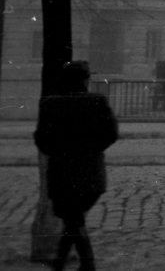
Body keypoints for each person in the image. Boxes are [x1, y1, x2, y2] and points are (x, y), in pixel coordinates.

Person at [34, 60, 118, 271]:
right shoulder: (98, 101)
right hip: (92, 175)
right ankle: (63, 264)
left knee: (73, 221)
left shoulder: (50, 104)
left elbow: (42, 140)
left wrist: (60, 152)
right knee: (74, 221)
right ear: (85, 80)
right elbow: (111, 134)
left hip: (62, 175)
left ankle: (85, 264)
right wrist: (91, 151)